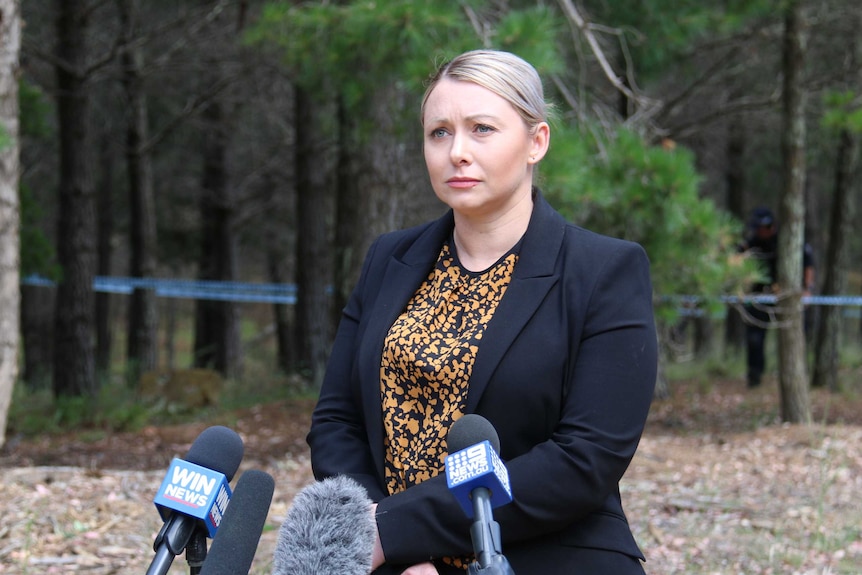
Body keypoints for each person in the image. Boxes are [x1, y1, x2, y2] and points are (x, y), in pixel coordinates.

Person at [306, 49, 658, 575]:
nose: (457, 152)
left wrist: (397, 531)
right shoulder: (389, 259)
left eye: (482, 129)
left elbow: (585, 461)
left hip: (544, 556)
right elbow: (336, 423)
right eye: (439, 133)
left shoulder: (605, 271)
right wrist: (397, 556)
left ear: (536, 141)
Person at [739, 206, 815, 388]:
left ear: (770, 226)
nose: (757, 231)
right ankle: (754, 377)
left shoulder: (789, 241)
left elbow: (808, 265)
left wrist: (807, 289)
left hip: (787, 297)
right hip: (760, 298)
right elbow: (737, 262)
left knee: (795, 337)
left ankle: (798, 376)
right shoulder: (752, 243)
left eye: (760, 227)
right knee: (754, 339)